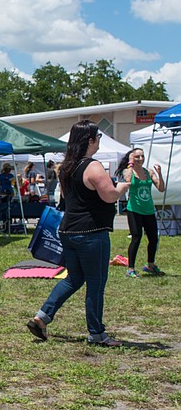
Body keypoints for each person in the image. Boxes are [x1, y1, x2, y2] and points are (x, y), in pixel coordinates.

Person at [26, 121, 130, 347]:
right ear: (90, 140)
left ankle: (42, 317)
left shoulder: (66, 167)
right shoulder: (92, 166)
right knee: (96, 283)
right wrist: (124, 185)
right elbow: (110, 196)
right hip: (91, 232)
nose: (100, 140)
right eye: (98, 136)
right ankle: (97, 333)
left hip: (68, 229)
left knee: (74, 277)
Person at [117, 148, 166, 277]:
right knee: (136, 237)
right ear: (132, 158)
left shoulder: (148, 172)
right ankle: (131, 269)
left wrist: (159, 174)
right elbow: (127, 180)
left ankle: (150, 265)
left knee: (153, 239)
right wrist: (131, 164)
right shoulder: (128, 171)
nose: (141, 159)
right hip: (135, 210)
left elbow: (161, 188)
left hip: (148, 210)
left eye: (142, 156)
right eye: (137, 157)